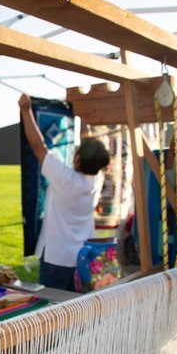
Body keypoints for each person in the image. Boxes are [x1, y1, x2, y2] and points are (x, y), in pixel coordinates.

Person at [18, 93, 110, 291]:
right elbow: (89, 145)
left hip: (57, 260)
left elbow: (38, 146)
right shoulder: (97, 179)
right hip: (83, 257)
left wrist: (26, 111)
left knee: (53, 310)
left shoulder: (66, 179)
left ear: (77, 160)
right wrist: (81, 116)